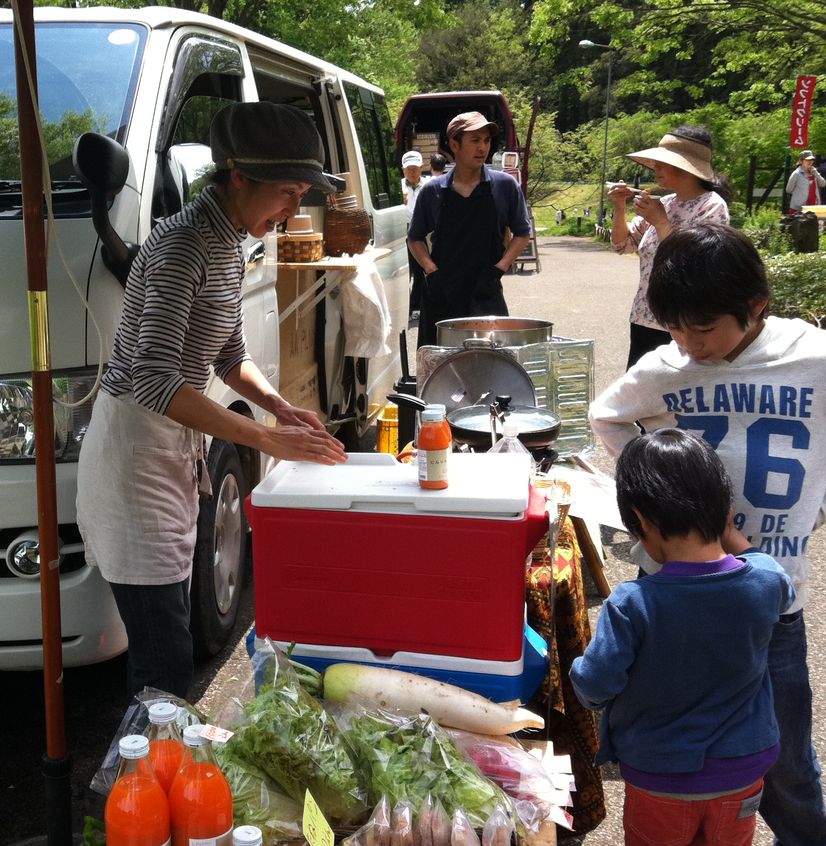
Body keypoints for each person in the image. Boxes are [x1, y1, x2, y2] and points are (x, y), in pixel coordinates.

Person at [589, 223, 826, 846]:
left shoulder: (816, 358)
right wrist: (655, 497)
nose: (690, 344)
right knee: (678, 733)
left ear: (756, 305)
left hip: (770, 602)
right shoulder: (666, 367)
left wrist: (818, 504)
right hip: (674, 592)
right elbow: (607, 417)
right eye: (675, 329)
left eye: (703, 329)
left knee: (785, 758)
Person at [76, 102, 348, 700]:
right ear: (239, 177)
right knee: (164, 661)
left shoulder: (228, 244)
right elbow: (152, 379)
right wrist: (267, 438)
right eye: (286, 192)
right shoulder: (184, 246)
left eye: (301, 194)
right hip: (134, 455)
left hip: (169, 446)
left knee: (169, 642)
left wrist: (280, 407)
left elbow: (229, 353)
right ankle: (146, 758)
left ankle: (159, 751)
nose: (292, 209)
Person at [571, 428, 794, 846]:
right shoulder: (767, 581)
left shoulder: (633, 603)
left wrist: (576, 667)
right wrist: (728, 533)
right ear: (725, 509)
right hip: (742, 772)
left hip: (660, 778)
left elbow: (595, 685)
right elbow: (764, 569)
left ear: (641, 521)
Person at [608, 126, 731, 369]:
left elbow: (698, 266)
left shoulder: (711, 206)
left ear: (686, 167)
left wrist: (662, 222)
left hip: (684, 324)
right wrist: (620, 208)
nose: (655, 167)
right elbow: (623, 245)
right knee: (641, 388)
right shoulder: (664, 202)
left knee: (678, 389)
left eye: (662, 162)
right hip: (645, 315)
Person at [407, 112, 532, 349]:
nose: (482, 147)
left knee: (490, 362)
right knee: (439, 364)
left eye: (486, 140)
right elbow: (415, 238)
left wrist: (500, 268)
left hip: (486, 291)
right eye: (475, 140)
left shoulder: (505, 186)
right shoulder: (433, 191)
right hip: (442, 294)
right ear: (454, 145)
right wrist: (431, 271)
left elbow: (522, 232)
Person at [400, 150, 426, 320]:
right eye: (409, 169)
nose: (412, 172)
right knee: (404, 272)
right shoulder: (398, 187)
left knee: (420, 270)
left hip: (421, 232)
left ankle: (416, 306)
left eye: (415, 168)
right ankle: (404, 306)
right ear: (403, 170)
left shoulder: (428, 186)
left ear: (421, 168)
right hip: (402, 231)